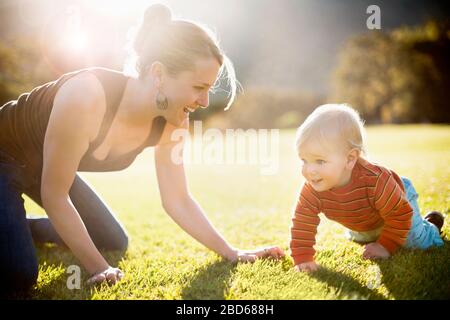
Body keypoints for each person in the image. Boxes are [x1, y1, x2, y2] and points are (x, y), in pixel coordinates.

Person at [0, 4, 284, 294]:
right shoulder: (86, 96)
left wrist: (231, 252)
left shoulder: (174, 123)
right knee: (19, 274)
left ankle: (23, 228)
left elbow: (177, 199)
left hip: (45, 164)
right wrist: (101, 269)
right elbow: (55, 194)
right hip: (3, 156)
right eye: (199, 87)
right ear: (159, 73)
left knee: (112, 240)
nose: (204, 101)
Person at [290, 104, 445, 272]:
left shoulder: (376, 181)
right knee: (364, 238)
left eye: (320, 161)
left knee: (414, 241)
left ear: (350, 159)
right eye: (304, 160)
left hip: (398, 198)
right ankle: (374, 232)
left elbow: (400, 213)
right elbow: (302, 221)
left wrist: (385, 247)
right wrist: (303, 257)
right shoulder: (313, 187)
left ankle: (431, 226)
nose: (309, 170)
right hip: (366, 218)